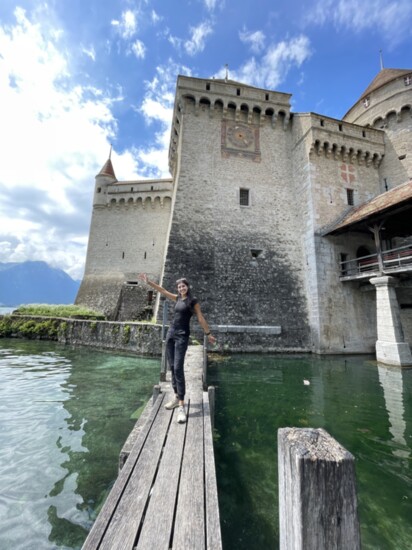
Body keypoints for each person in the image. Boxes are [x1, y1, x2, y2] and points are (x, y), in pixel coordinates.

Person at [138, 273, 216, 424]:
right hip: (171, 334)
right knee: (172, 367)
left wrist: (208, 333)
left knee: (179, 368)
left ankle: (181, 406)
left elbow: (200, 318)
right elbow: (163, 291)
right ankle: (176, 396)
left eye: (183, 286)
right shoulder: (178, 298)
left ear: (188, 287)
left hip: (182, 336)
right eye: (179, 287)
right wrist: (149, 282)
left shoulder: (193, 302)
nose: (181, 288)